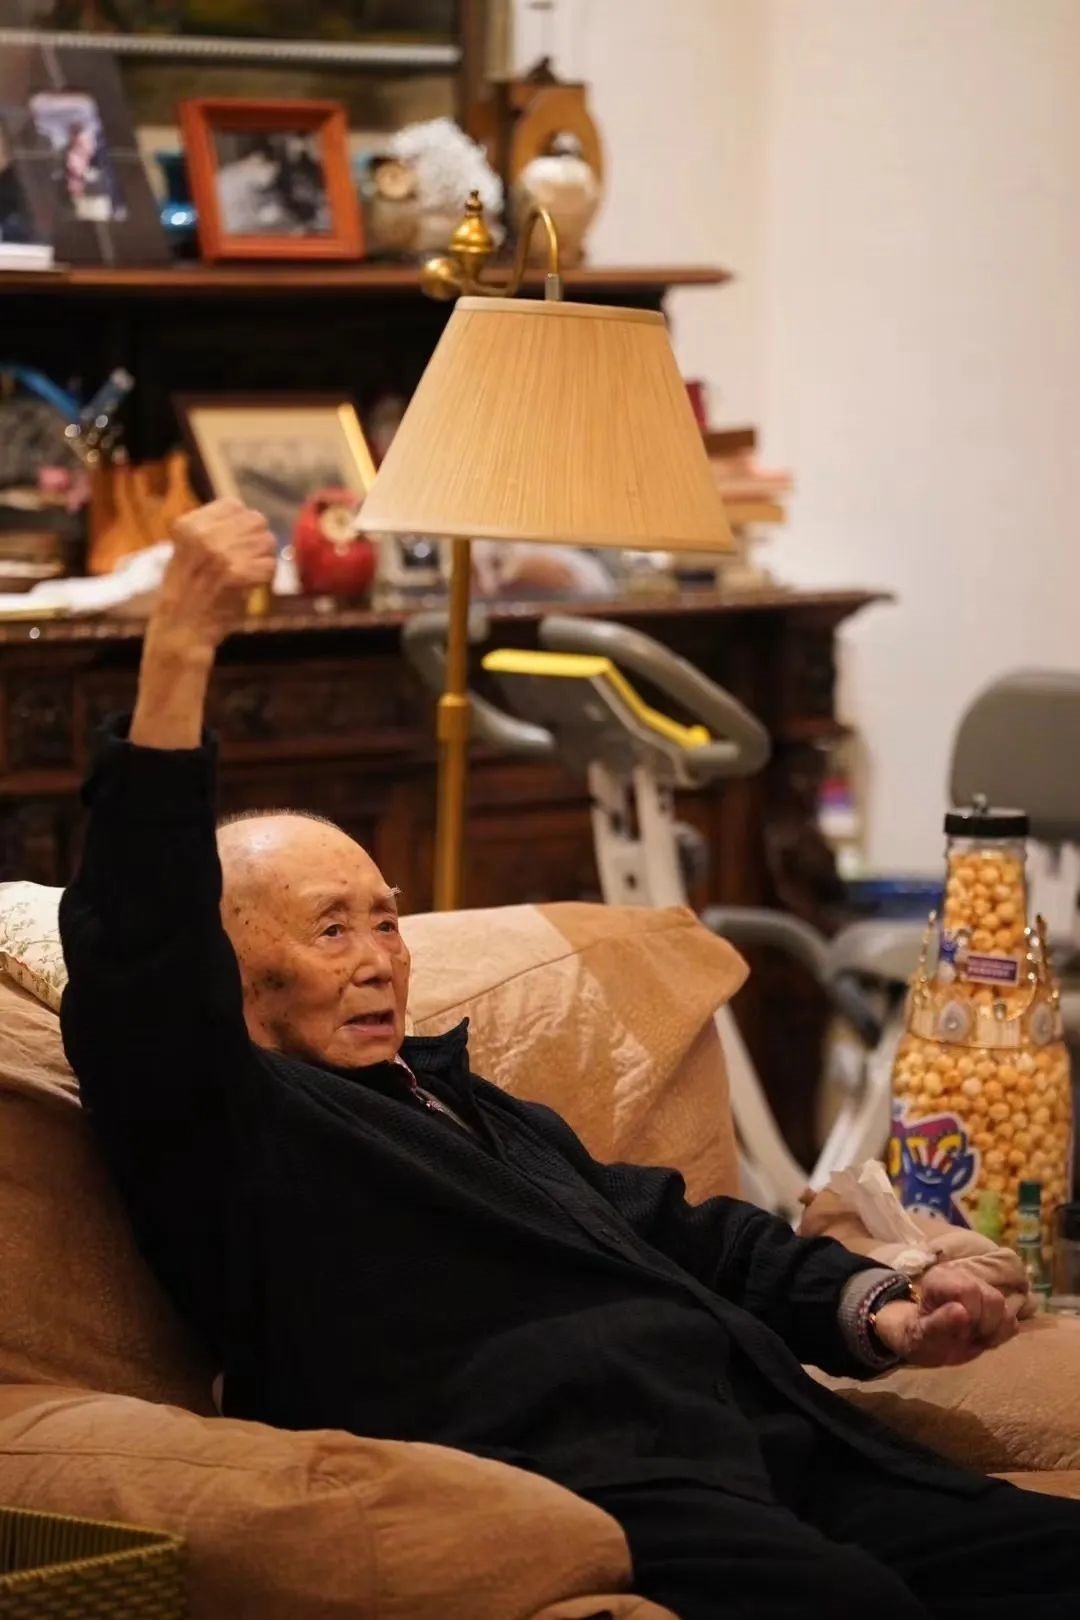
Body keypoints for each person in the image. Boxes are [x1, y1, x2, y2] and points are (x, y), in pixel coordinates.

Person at [60, 499, 1080, 1620]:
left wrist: (880, 1303)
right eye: (331, 929)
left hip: (770, 1432)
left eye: (387, 920)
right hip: (584, 1469)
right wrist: (180, 645)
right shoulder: (234, 1122)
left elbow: (691, 1233)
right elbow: (138, 955)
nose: (379, 959)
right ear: (230, 975)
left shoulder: (466, 1103)